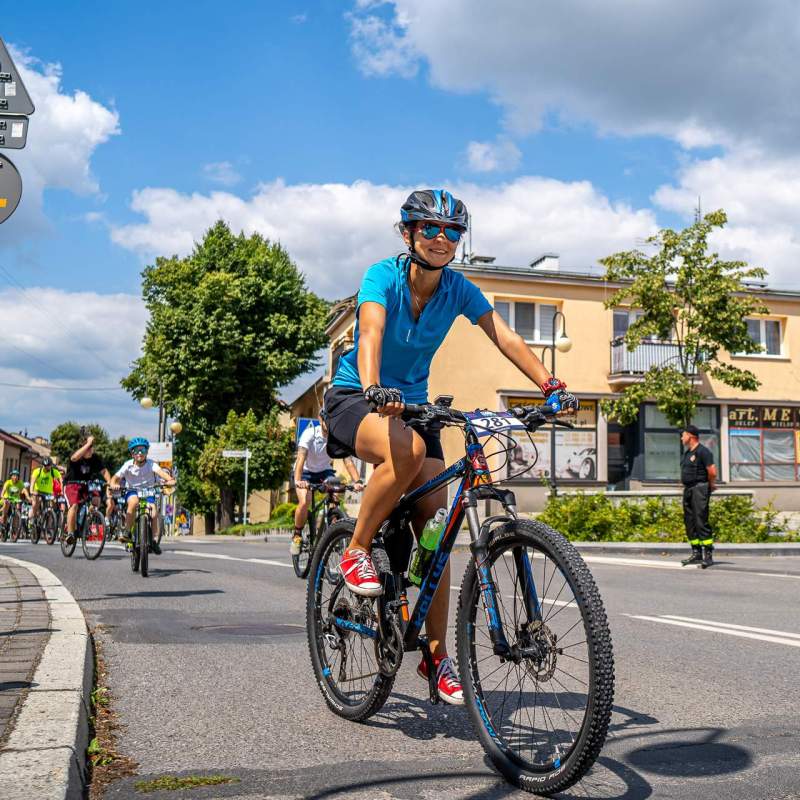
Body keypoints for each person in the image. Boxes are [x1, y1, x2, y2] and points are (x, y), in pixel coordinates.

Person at [322, 189, 577, 704]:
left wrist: (550, 385)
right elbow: (368, 332)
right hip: (358, 396)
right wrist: (373, 386)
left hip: (416, 407)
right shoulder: (383, 277)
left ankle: (437, 658)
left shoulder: (458, 289)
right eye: (431, 229)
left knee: (436, 532)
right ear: (408, 234)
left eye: (453, 232)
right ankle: (355, 550)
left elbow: (503, 336)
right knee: (408, 454)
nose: (442, 239)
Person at [290, 416, 364, 555]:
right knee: (305, 501)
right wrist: (299, 480)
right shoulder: (310, 433)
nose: (330, 424)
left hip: (324, 471)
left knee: (336, 490)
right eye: (327, 420)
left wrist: (357, 481)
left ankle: (331, 522)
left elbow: (348, 462)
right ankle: (297, 534)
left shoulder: (336, 437)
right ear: (320, 419)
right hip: (305, 471)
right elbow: (300, 459)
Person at [109, 437, 175, 555]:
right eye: (136, 450)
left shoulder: (151, 464)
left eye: (143, 450)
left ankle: (154, 541)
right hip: (132, 491)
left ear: (147, 452)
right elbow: (115, 477)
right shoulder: (127, 465)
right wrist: (114, 484)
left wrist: (169, 480)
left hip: (149, 491)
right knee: (133, 503)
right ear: (132, 453)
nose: (140, 453)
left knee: (153, 512)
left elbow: (162, 474)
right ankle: (128, 532)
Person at [679, 424, 717, 568]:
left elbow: (712, 471)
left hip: (700, 488)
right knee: (690, 522)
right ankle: (696, 553)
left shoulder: (703, 452)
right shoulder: (687, 453)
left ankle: (708, 554)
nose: (681, 438)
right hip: (688, 489)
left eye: (683, 435)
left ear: (690, 436)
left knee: (701, 520)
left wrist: (710, 485)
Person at [64, 436, 113, 545]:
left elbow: (104, 471)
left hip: (87, 484)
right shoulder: (76, 455)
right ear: (83, 448)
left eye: (92, 447)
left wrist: (109, 483)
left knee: (96, 500)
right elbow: (74, 458)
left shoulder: (95, 458)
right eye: (89, 447)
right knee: (74, 506)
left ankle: (88, 520)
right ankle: (70, 533)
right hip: (72, 484)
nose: (91, 449)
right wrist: (87, 443)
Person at [30, 456, 59, 522]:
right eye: (45, 466)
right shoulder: (37, 471)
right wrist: (31, 491)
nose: (47, 467)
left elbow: (60, 480)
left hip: (48, 492)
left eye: (48, 465)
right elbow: (32, 482)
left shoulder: (54, 472)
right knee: (37, 502)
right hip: (38, 491)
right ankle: (33, 519)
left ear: (51, 465)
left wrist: (61, 491)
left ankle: (49, 524)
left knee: (53, 503)